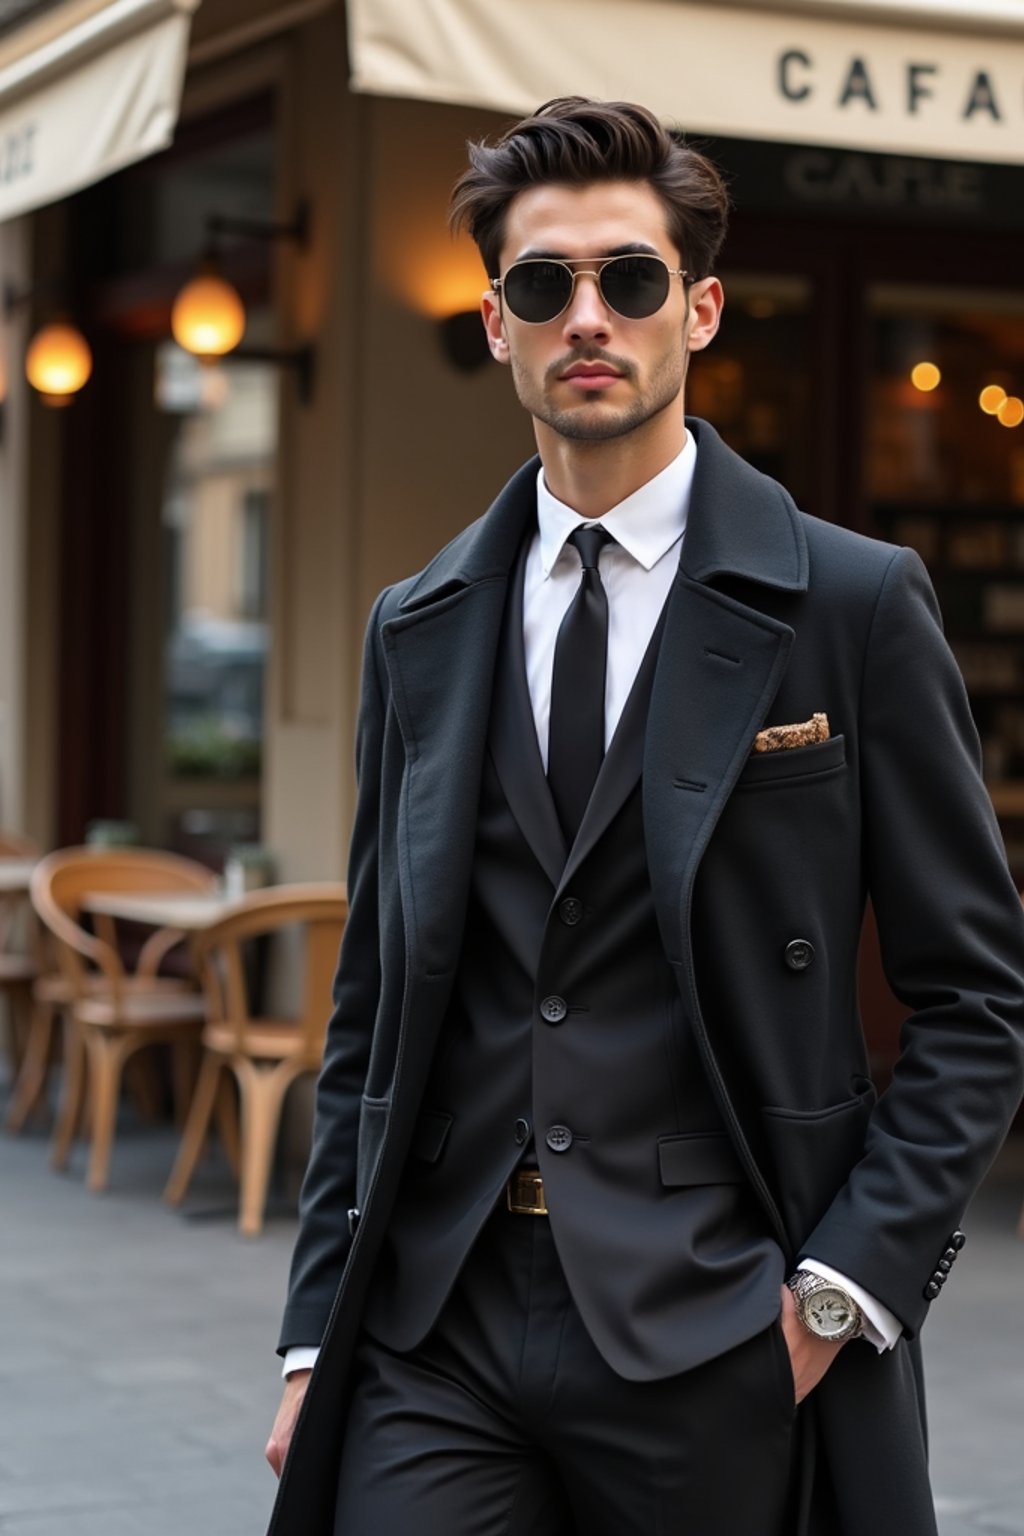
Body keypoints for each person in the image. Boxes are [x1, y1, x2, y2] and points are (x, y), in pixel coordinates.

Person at [264, 97, 1024, 1536]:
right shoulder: (416, 626)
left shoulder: (850, 605)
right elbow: (370, 1014)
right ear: (498, 323)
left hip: (717, 1318)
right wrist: (316, 1336)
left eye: (631, 279)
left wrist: (839, 1291)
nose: (587, 317)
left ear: (703, 308)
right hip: (443, 1323)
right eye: (545, 286)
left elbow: (978, 997)